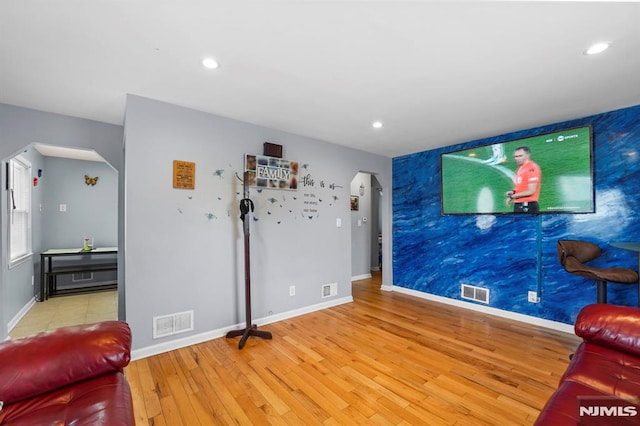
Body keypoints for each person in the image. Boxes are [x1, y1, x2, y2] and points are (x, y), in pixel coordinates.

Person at [505, 146, 541, 213]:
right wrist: (513, 191)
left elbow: (531, 191)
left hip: (528, 205)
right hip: (520, 204)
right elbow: (522, 186)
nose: (517, 159)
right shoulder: (520, 168)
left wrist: (512, 197)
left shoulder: (531, 168)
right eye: (515, 156)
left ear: (527, 155)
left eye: (520, 156)